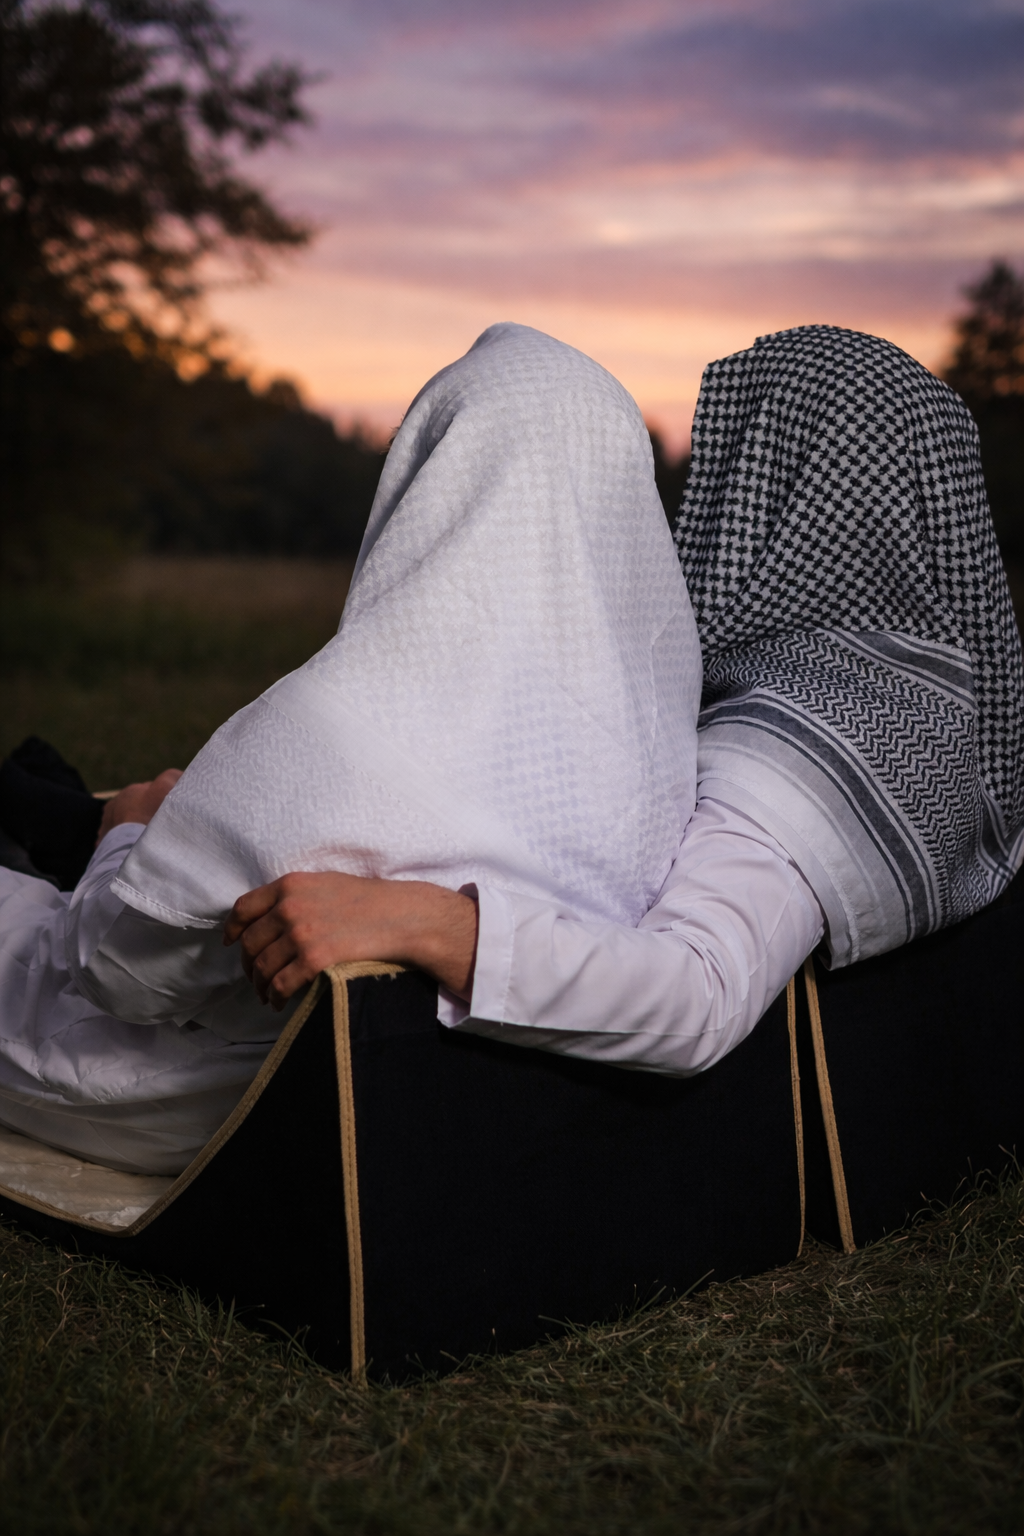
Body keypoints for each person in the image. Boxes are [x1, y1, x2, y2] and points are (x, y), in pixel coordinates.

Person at [1, 324, 1021, 1176]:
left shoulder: (797, 738)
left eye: (739, 463)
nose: (706, 506)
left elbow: (695, 992)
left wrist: (420, 917)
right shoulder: (932, 714)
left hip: (234, 1102)